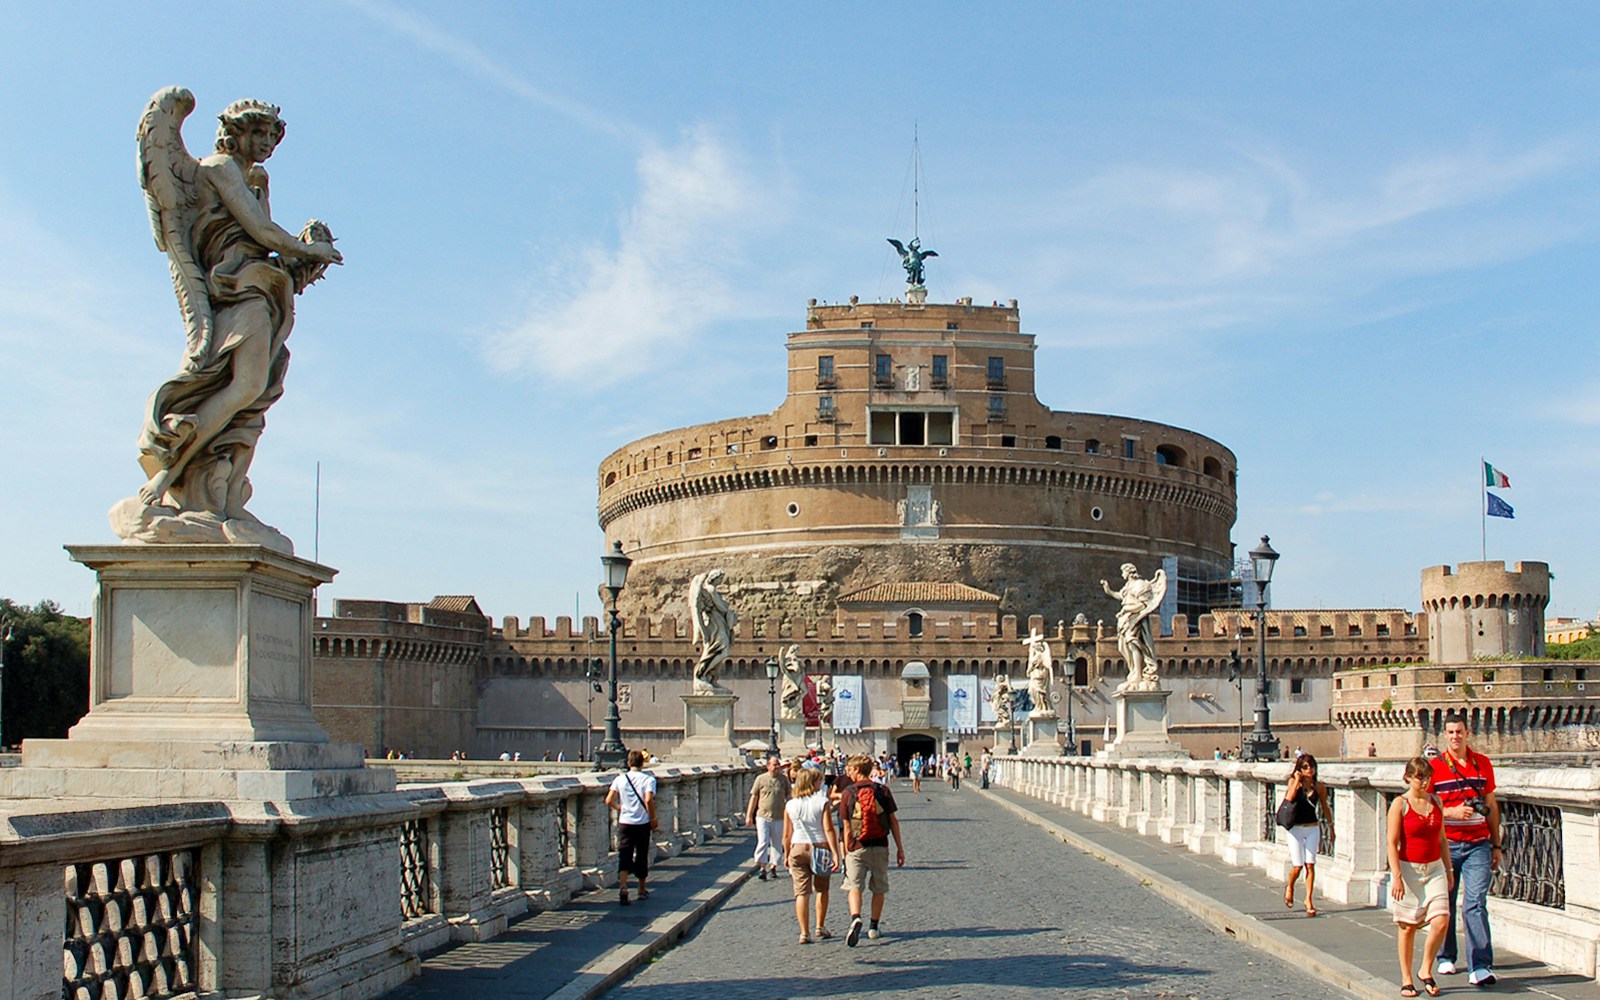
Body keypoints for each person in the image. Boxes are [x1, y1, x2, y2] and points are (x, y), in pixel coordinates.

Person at [1430, 713, 1502, 986]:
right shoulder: (1436, 767)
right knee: (1445, 903)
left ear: (1467, 733)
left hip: (1478, 845)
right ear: (1444, 736)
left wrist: (1496, 844)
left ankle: (1481, 965)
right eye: (1450, 732)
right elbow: (1425, 805)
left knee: (1475, 904)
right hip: (1446, 845)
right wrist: (1451, 811)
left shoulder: (1482, 764)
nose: (1455, 737)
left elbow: (1492, 806)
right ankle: (1445, 956)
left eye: (1459, 732)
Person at [1388, 756, 1455, 998]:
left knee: (1442, 920)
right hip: (1408, 870)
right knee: (1408, 926)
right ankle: (1406, 978)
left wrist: (1448, 870)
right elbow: (1391, 842)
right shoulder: (1400, 804)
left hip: (1434, 867)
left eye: (1427, 777)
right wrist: (1396, 876)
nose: (1424, 782)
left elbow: (1442, 839)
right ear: (1408, 778)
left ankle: (1425, 969)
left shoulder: (1436, 802)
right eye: (1420, 778)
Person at [838, 754, 905, 946]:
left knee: (854, 886)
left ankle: (855, 917)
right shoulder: (882, 791)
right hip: (880, 844)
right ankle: (874, 927)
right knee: (879, 887)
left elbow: (846, 826)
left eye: (850, 769)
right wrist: (900, 848)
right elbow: (893, 821)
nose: (847, 772)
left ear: (858, 770)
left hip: (857, 846)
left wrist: (846, 852)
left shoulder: (848, 793)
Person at [784, 767, 842, 944]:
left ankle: (804, 932)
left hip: (797, 847)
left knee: (801, 893)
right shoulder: (822, 802)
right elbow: (828, 829)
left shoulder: (790, 804)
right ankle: (820, 926)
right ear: (812, 782)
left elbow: (786, 834)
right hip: (820, 847)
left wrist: (786, 854)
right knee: (822, 889)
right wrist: (835, 853)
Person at [1281, 753, 1334, 916]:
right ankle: (1290, 886)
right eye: (1305, 767)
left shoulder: (1319, 787)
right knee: (1297, 866)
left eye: (1311, 766)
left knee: (1310, 864)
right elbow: (1289, 798)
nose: (1309, 769)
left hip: (1312, 827)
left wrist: (1331, 828)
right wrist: (1297, 780)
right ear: (1299, 769)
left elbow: (1325, 807)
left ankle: (1308, 900)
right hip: (1295, 829)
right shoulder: (1293, 782)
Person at [605, 749, 657, 905]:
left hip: (625, 823)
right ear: (643, 763)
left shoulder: (620, 779)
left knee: (624, 855)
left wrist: (619, 807)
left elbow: (608, 800)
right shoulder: (649, 779)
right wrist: (653, 817)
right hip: (641, 823)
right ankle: (641, 890)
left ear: (628, 763)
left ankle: (623, 886)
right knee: (642, 855)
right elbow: (648, 800)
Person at [746, 754, 791, 881]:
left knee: (777, 843)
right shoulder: (760, 779)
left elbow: (789, 796)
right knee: (763, 841)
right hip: (762, 816)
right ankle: (762, 867)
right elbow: (754, 797)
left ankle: (773, 866)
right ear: (768, 766)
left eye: (778, 764)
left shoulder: (783, 780)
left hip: (779, 816)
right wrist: (749, 815)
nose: (777, 767)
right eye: (775, 764)